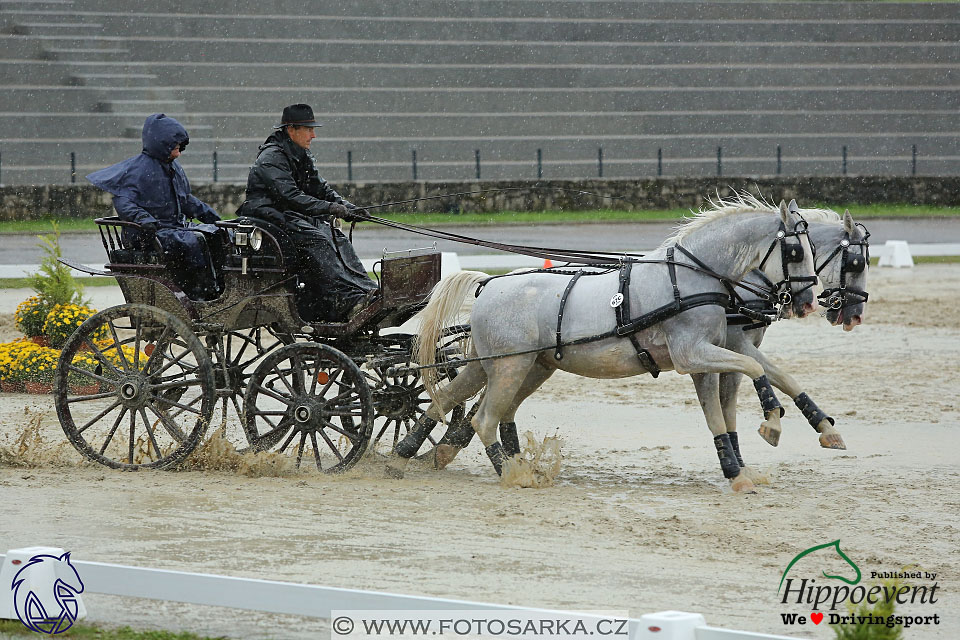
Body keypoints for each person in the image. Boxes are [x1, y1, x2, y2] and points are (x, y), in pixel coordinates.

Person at [236, 103, 378, 322]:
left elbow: (321, 189)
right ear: (291, 130)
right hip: (267, 216)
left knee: (336, 237)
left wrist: (348, 208)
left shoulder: (301, 154)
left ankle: (366, 291)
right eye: (309, 129)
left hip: (289, 214)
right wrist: (329, 208)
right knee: (318, 240)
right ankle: (343, 300)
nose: (314, 135)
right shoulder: (271, 157)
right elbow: (290, 196)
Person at [86, 113, 223, 301]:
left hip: (172, 228)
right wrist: (144, 219)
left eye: (179, 148)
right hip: (147, 234)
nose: (178, 153)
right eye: (175, 148)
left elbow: (186, 201)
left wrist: (213, 219)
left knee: (215, 234)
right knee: (194, 241)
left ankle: (218, 288)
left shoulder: (174, 168)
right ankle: (200, 293)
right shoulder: (137, 170)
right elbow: (123, 203)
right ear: (162, 145)